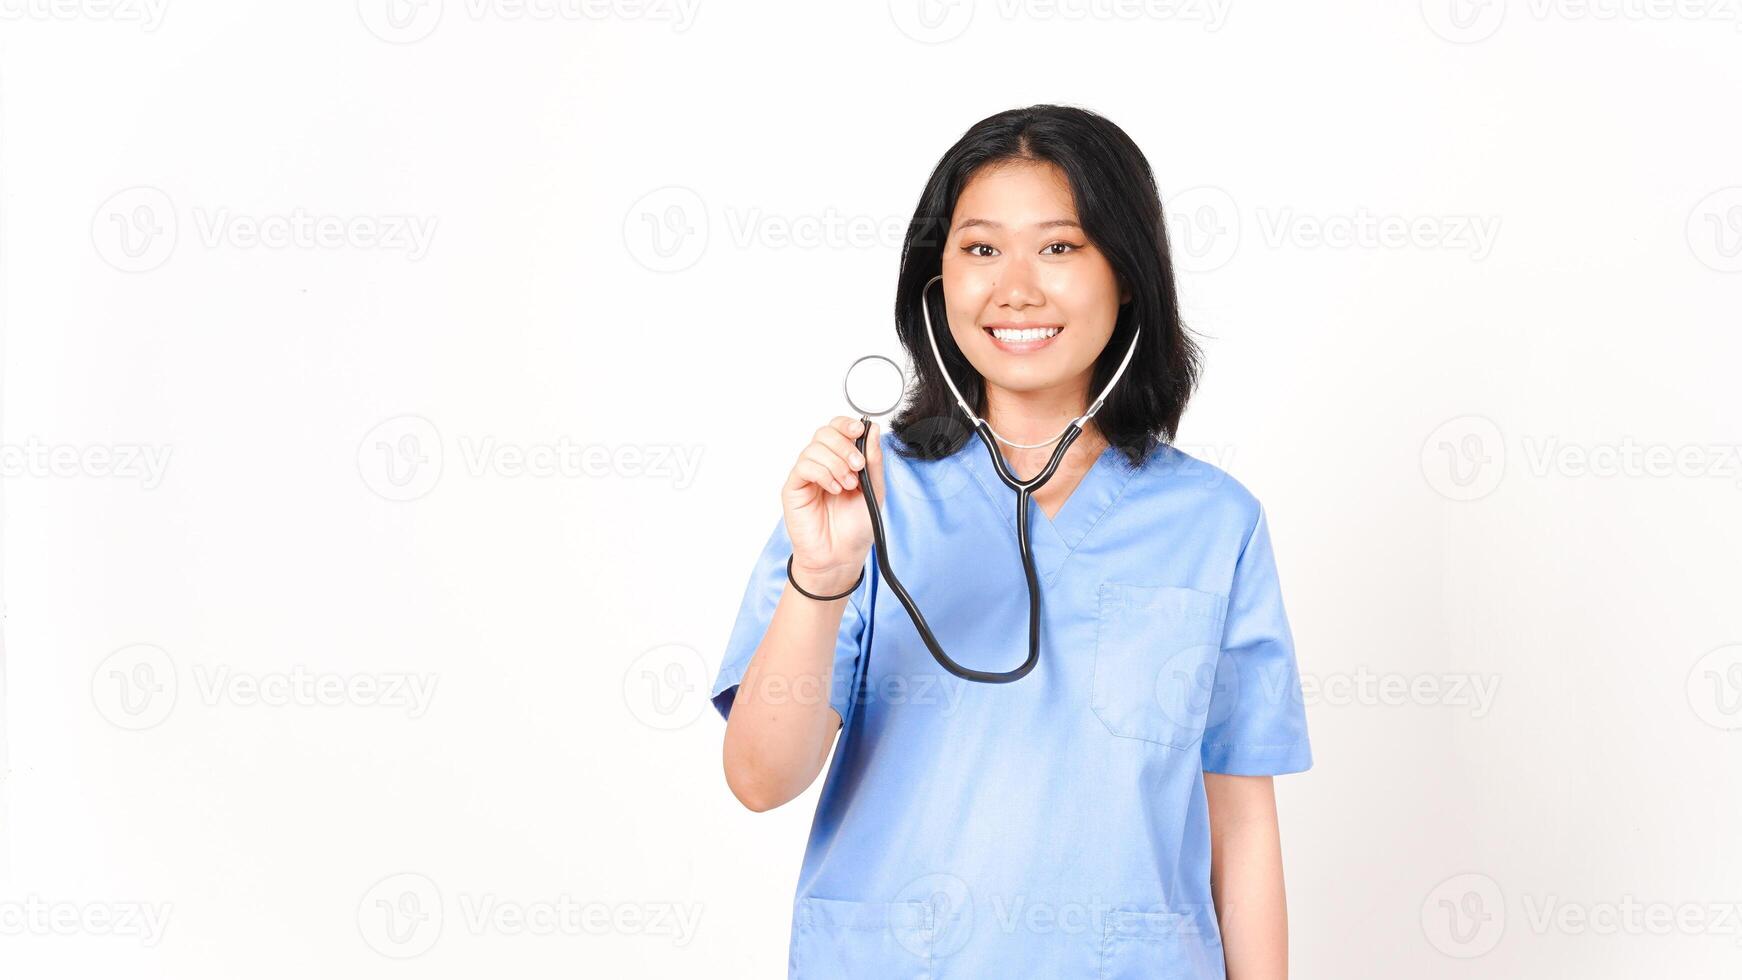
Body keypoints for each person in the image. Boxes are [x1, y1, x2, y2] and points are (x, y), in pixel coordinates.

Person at [710, 104, 1311, 979]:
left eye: (1060, 247)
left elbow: (1241, 822)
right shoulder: (862, 498)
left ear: (1128, 272)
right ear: (937, 277)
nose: (1016, 287)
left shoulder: (1214, 523)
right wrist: (821, 577)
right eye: (981, 249)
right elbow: (760, 780)